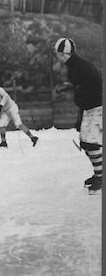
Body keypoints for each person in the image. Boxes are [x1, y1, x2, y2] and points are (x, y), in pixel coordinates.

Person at [54, 38, 102, 194]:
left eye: (57, 54)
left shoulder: (78, 68)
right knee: (85, 142)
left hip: (97, 107)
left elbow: (94, 87)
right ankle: (99, 174)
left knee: (91, 143)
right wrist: (80, 115)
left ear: (62, 54)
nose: (57, 57)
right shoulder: (76, 66)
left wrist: (81, 103)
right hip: (91, 107)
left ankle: (101, 177)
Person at [0, 79, 39, 148]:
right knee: (1, 126)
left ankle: (33, 138)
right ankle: (3, 142)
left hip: (12, 108)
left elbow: (6, 96)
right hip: (5, 111)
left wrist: (1, 105)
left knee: (18, 125)